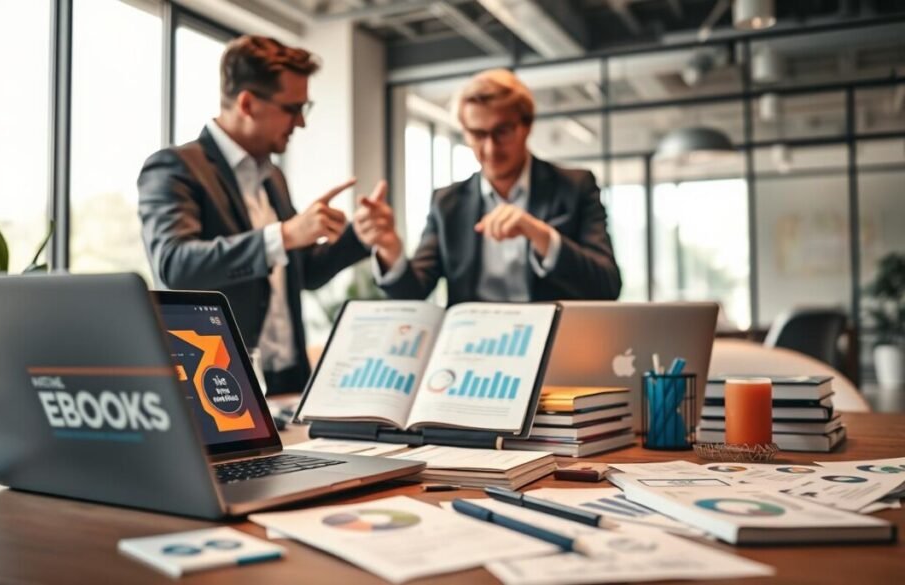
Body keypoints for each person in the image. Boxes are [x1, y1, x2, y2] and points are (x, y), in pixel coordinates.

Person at [138, 35, 385, 394]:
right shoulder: (175, 168)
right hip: (217, 385)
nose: (300, 122)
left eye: (305, 107)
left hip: (288, 383)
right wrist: (284, 235)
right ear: (248, 103)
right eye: (292, 108)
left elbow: (304, 273)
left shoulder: (273, 178)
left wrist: (359, 236)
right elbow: (175, 265)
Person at [358, 69, 621, 304]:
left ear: (526, 126)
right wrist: (390, 249)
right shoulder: (447, 202)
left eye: (502, 131)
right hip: (472, 350)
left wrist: (539, 234)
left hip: (553, 348)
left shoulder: (574, 187)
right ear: (465, 131)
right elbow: (414, 291)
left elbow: (607, 286)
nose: (490, 148)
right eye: (478, 134)